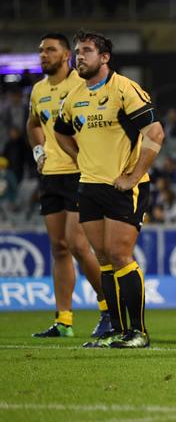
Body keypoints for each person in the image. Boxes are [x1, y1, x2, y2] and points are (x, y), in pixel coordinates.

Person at [54, 30, 165, 348]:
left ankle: (138, 333)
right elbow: (61, 132)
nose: (79, 56)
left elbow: (155, 133)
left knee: (120, 255)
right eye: (77, 51)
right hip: (88, 187)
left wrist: (133, 176)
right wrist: (79, 159)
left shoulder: (124, 89)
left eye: (87, 51)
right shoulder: (74, 96)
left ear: (104, 58)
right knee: (103, 259)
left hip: (122, 188)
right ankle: (116, 330)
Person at [26, 32, 109, 339]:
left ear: (65, 56)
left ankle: (108, 308)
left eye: (50, 50)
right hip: (51, 175)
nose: (43, 55)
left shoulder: (82, 83)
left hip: (79, 173)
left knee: (76, 244)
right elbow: (33, 124)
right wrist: (39, 151)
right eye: (40, 50)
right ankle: (64, 320)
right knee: (59, 248)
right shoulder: (37, 90)